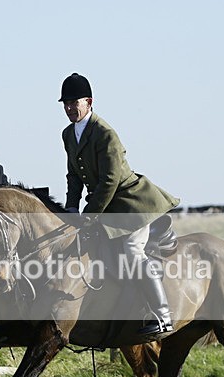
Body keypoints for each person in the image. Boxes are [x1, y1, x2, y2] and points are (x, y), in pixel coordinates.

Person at [58, 73, 180, 338]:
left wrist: (88, 215)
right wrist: (70, 210)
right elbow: (73, 176)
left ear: (89, 102)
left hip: (130, 204)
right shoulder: (68, 134)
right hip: (106, 208)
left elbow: (110, 180)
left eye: (74, 102)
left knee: (132, 252)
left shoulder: (105, 134)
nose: (69, 108)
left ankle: (163, 316)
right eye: (65, 103)